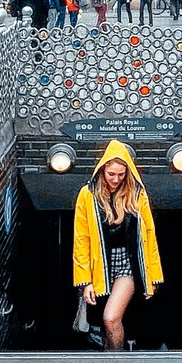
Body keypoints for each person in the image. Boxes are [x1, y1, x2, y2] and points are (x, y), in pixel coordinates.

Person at [73, 139, 163, 351]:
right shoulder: (88, 195)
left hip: (127, 263)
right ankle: (111, 355)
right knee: (101, 324)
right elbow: (81, 239)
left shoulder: (136, 195)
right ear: (103, 169)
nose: (115, 179)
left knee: (111, 318)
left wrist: (153, 275)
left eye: (121, 174)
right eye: (111, 174)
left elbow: (149, 236)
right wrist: (84, 281)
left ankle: (117, 359)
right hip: (99, 266)